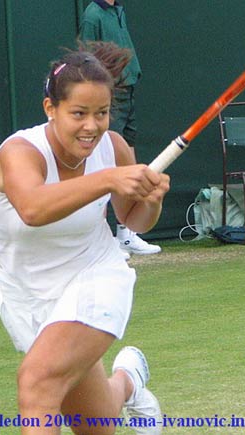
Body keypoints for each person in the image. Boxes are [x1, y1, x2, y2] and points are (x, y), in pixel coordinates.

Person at [0, 42, 169, 435]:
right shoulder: (19, 153)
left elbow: (133, 220)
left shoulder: (114, 147)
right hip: (27, 295)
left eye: (102, 113)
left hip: (95, 276)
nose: (92, 126)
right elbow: (33, 209)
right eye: (79, 114)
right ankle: (129, 382)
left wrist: (151, 201)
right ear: (50, 109)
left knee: (37, 383)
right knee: (97, 425)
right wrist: (106, 179)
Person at [79, 0, 162, 256]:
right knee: (104, 162)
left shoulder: (118, 10)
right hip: (110, 95)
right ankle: (100, 241)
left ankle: (126, 235)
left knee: (128, 157)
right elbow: (86, 59)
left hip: (128, 91)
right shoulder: (93, 15)